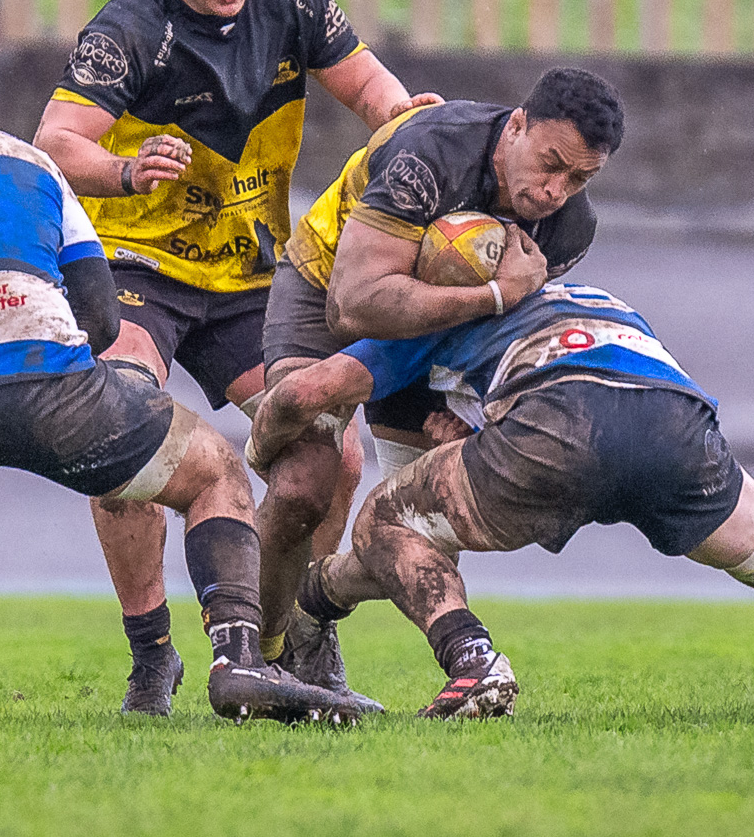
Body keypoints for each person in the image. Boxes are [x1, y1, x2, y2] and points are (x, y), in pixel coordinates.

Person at [0, 24, 361, 727]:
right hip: (53, 389)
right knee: (214, 471)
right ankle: (234, 657)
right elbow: (100, 315)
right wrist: (51, 389)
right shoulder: (28, 163)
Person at [32, 0, 438, 714]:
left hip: (253, 278)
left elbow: (371, 88)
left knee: (333, 452)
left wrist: (411, 129)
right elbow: (54, 143)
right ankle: (153, 655)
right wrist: (125, 166)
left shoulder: (289, 0)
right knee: (124, 435)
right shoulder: (129, 30)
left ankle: (296, 642)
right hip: (139, 273)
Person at [252, 280, 754, 724]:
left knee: (388, 516)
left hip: (561, 422)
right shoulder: (591, 291)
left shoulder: (437, 307)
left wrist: (262, 443)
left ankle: (473, 659)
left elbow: (317, 390)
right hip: (674, 421)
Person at [248, 68, 619, 696]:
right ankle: (254, 652)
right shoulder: (433, 151)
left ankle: (314, 620)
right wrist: (496, 294)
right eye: (551, 163)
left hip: (434, 336)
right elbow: (354, 305)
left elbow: (498, 343)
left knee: (420, 525)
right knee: (307, 482)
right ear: (518, 125)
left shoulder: (570, 229)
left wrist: (468, 415)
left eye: (580, 178)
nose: (557, 190)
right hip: (324, 287)